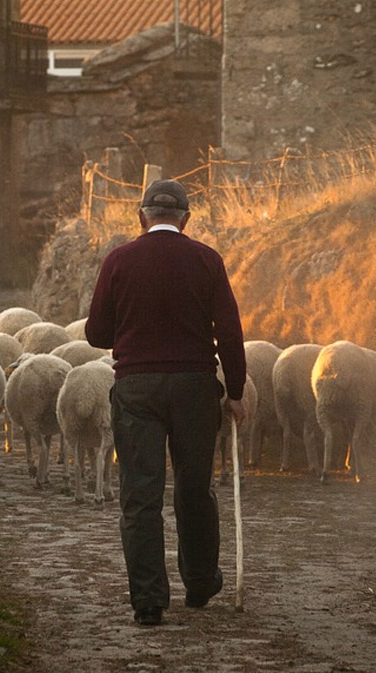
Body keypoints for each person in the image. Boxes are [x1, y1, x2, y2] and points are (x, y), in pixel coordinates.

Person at [86, 179, 247, 626]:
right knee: (194, 487)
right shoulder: (206, 260)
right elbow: (230, 334)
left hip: (137, 387)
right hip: (195, 388)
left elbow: (97, 334)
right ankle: (198, 583)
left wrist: (136, 331)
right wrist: (234, 392)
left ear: (141, 217)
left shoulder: (119, 260)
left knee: (141, 494)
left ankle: (149, 600)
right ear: (186, 219)